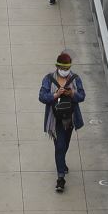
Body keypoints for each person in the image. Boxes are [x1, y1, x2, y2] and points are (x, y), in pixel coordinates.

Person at [38, 51, 86, 192]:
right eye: (63, 68)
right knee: (59, 146)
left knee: (65, 144)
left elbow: (82, 96)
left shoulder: (75, 79)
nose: (65, 71)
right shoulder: (48, 79)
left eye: (67, 68)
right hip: (55, 119)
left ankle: (62, 162)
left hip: (70, 118)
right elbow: (42, 97)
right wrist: (55, 95)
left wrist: (72, 93)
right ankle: (60, 178)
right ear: (57, 67)